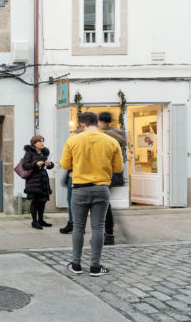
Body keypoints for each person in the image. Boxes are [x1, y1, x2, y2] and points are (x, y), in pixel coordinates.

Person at [60, 111, 123, 277]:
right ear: (97, 122)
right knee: (98, 227)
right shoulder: (111, 141)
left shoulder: (73, 140)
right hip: (101, 188)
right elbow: (118, 168)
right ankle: (95, 266)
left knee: (78, 228)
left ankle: (76, 264)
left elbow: (65, 164)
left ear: (82, 124)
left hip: (80, 188)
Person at [98, 111, 127, 245]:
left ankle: (109, 234)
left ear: (101, 121)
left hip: (108, 173)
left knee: (105, 205)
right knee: (106, 204)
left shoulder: (106, 135)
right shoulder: (118, 133)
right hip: (115, 173)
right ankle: (110, 231)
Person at [21, 135, 54, 229]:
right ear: (34, 143)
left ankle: (41, 220)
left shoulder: (44, 153)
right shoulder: (30, 153)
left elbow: (49, 166)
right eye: (40, 141)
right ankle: (34, 221)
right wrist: (35, 164)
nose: (42, 143)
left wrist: (49, 164)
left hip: (43, 179)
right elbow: (25, 166)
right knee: (35, 201)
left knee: (43, 201)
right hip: (34, 180)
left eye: (43, 141)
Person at [58, 122, 84, 234]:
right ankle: (76, 224)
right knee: (77, 203)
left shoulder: (76, 146)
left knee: (73, 202)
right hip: (80, 178)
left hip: (75, 178)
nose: (71, 138)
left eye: (73, 136)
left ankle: (73, 224)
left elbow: (67, 163)